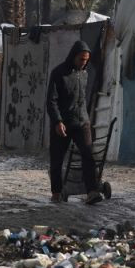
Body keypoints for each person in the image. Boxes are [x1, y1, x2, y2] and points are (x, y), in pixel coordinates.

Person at [46, 40, 102, 204]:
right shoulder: (59, 73)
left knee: (88, 155)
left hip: (81, 122)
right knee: (57, 159)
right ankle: (56, 192)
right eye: (81, 59)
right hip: (62, 124)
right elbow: (51, 101)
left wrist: (87, 119)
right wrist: (57, 121)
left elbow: (83, 99)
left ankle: (92, 191)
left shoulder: (84, 73)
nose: (83, 63)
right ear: (73, 57)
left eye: (86, 60)